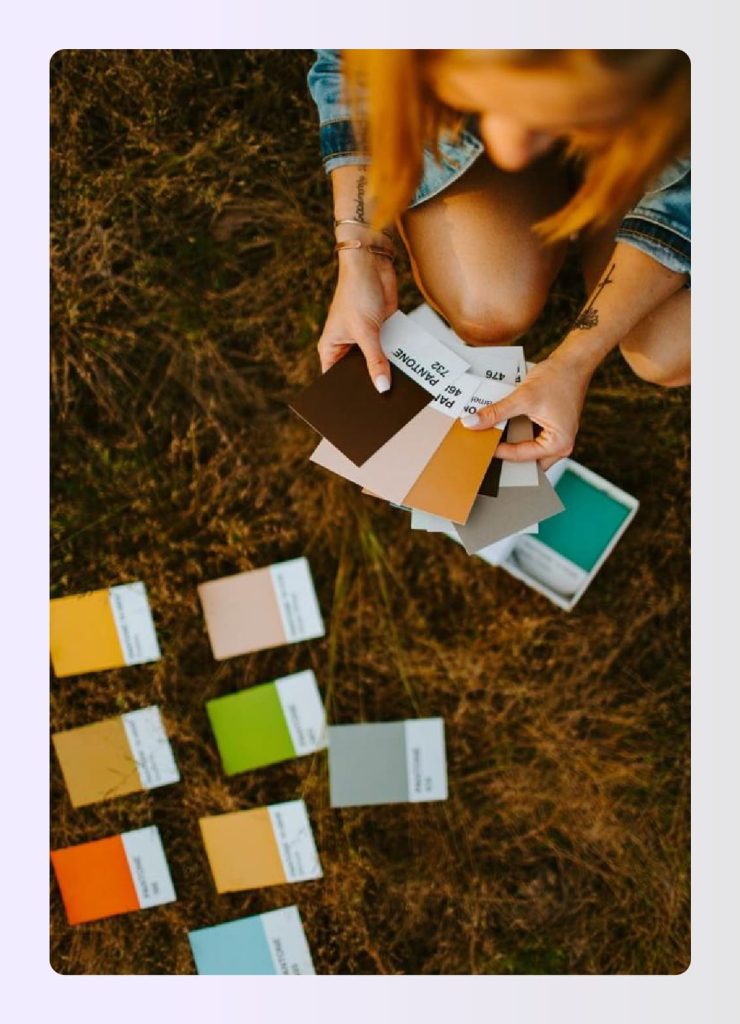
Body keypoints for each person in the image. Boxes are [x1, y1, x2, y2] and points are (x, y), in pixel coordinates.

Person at [307, 49, 690, 468]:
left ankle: (614, 156)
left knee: (665, 349)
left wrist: (575, 360)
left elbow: (684, 206)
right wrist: (361, 249)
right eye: (488, 102)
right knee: (486, 307)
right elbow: (349, 66)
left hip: (666, 148)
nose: (511, 152)